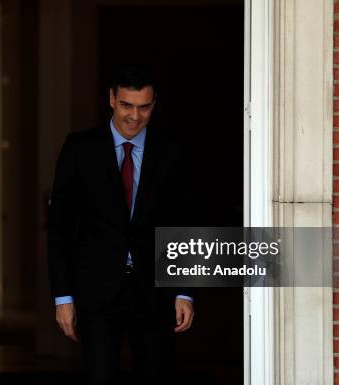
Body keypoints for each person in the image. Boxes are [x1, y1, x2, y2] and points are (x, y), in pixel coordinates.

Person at [48, 65, 194, 385]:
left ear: (154, 104)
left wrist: (184, 291)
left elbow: (184, 222)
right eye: (127, 105)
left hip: (155, 291)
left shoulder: (172, 151)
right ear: (112, 99)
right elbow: (58, 227)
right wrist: (63, 297)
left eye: (144, 107)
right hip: (96, 292)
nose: (135, 116)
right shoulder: (79, 149)